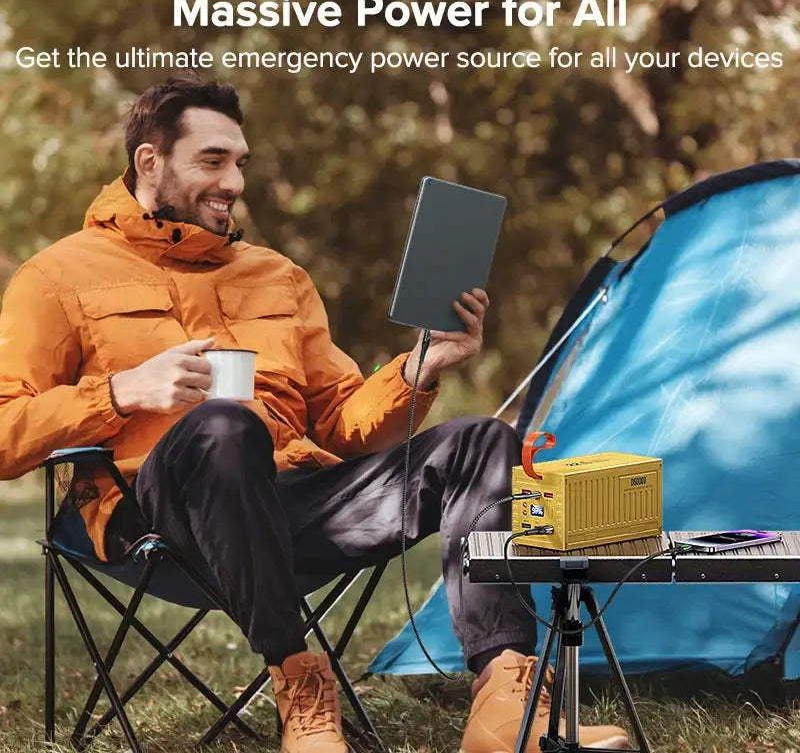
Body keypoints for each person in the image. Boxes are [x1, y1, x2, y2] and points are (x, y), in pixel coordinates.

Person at [0, 75, 628, 753]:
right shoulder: (58, 275)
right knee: (222, 423)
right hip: (157, 522)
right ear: (150, 161)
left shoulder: (278, 277)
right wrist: (121, 393)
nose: (233, 181)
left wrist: (419, 369)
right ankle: (300, 688)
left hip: (292, 502)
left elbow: (341, 423)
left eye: (240, 163)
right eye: (213, 161)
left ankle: (508, 701)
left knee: (480, 440)